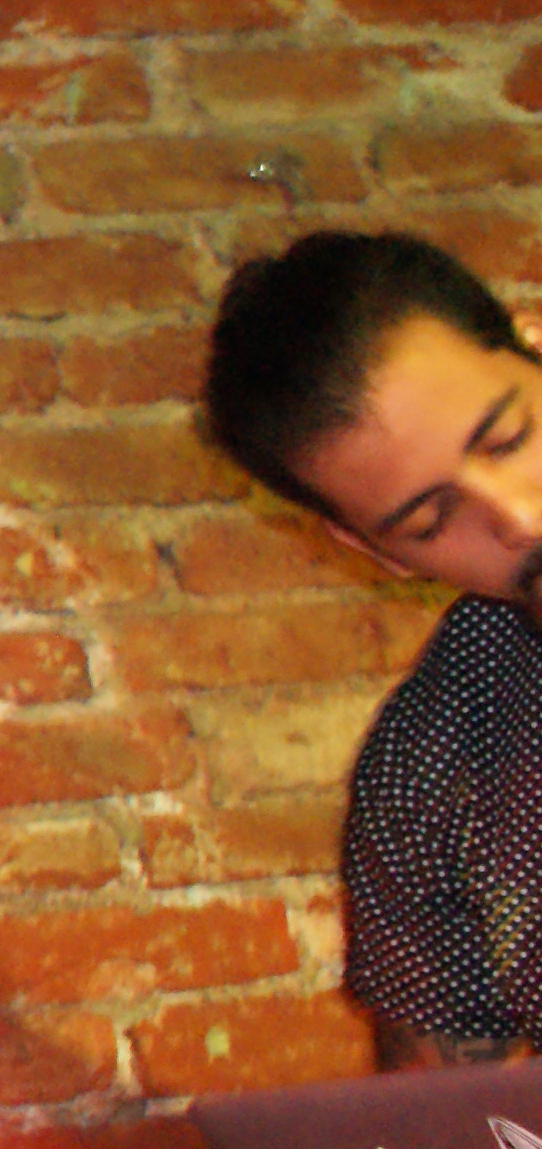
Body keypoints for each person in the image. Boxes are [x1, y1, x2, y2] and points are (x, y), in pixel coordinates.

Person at [202, 229, 542, 1061]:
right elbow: (442, 1125)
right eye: (432, 519)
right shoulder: (439, 754)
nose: (518, 516)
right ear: (376, 553)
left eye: (510, 438)